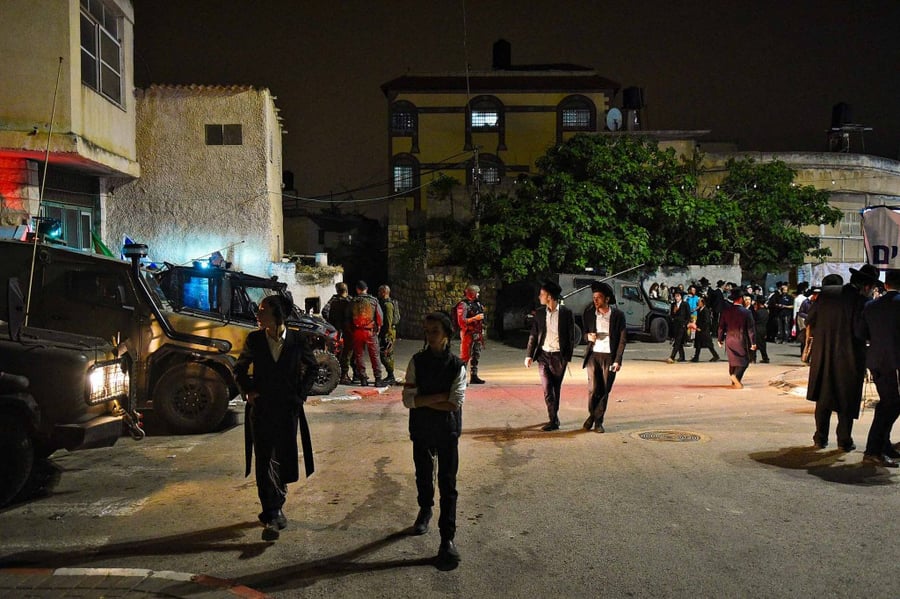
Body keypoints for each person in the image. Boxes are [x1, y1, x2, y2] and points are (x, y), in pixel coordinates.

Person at [234, 295, 318, 541]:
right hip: (262, 409)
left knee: (283, 456)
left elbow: (312, 367)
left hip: (287, 409)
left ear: (278, 315)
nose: (258, 315)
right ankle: (271, 511)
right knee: (264, 458)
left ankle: (277, 503)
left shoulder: (297, 340)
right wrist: (249, 391)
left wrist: (300, 395)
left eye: (263, 310)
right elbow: (239, 368)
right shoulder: (255, 339)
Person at [402, 312, 466, 566]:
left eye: (435, 331)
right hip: (421, 429)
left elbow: (455, 403)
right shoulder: (417, 361)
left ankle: (447, 539)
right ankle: (425, 509)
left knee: (448, 484)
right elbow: (408, 400)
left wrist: (423, 401)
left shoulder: (457, 366)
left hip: (447, 431)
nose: (430, 336)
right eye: (427, 331)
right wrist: (440, 397)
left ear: (447, 335)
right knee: (423, 474)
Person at [806, 264, 880, 451]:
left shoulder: (827, 294)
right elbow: (861, 332)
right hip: (849, 357)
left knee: (823, 397)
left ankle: (820, 437)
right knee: (846, 399)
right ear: (867, 287)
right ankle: (844, 440)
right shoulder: (862, 301)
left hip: (823, 354)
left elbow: (809, 319)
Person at [858, 269, 900, 468]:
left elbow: (861, 333)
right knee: (891, 406)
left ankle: (883, 445)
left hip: (876, 361)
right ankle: (874, 450)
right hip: (895, 362)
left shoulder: (870, 305)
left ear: (885, 285)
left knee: (887, 403)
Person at [524, 280, 576, 431]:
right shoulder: (540, 313)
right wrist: (529, 355)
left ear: (550, 297)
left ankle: (554, 417)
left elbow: (571, 337)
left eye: (542, 294)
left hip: (559, 357)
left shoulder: (566, 313)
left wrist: (566, 357)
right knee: (547, 389)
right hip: (543, 356)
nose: (539, 297)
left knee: (555, 389)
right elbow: (533, 335)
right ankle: (553, 419)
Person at [581, 281, 627, 433]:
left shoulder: (618, 315)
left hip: (609, 356)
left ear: (607, 299)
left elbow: (622, 339)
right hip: (593, 355)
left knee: (605, 389)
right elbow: (584, 334)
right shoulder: (589, 313)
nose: (595, 300)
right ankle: (592, 415)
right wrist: (588, 337)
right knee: (593, 389)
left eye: (599, 297)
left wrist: (617, 360)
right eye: (594, 297)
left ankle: (598, 421)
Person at [717, 288, 757, 389]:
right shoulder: (746, 312)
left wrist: (720, 339)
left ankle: (734, 381)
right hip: (740, 339)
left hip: (729, 339)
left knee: (732, 361)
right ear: (740, 299)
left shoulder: (726, 311)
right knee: (744, 361)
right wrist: (753, 342)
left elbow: (721, 326)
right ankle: (735, 377)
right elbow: (751, 329)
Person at [350, 280, 386, 387]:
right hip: (370, 331)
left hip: (357, 331)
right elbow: (380, 317)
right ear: (367, 289)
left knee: (359, 355)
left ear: (357, 289)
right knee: (374, 355)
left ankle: (363, 379)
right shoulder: (373, 301)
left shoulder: (353, 301)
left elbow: (348, 317)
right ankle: (378, 379)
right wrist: (378, 328)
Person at [322, 282, 354, 384]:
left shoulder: (333, 300)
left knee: (337, 353)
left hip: (335, 330)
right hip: (347, 330)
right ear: (346, 290)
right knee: (348, 353)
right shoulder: (350, 301)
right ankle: (346, 375)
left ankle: (338, 374)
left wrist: (330, 322)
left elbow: (324, 311)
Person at [456, 284, 486, 384]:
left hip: (477, 333)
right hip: (467, 333)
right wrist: (474, 318)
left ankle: (474, 375)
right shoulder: (463, 305)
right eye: (477, 292)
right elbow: (461, 321)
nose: (478, 294)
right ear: (471, 293)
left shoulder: (477, 303)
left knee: (476, 355)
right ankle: (461, 378)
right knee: (465, 356)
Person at [377, 284, 399, 384]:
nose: (378, 293)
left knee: (386, 354)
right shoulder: (384, 303)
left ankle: (391, 376)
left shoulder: (388, 305)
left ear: (384, 292)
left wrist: (387, 336)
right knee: (385, 354)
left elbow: (388, 322)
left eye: (380, 291)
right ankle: (390, 375)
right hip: (386, 332)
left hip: (388, 333)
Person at [689, 296, 720, 362]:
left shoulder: (706, 310)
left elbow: (707, 321)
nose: (698, 303)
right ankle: (696, 357)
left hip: (704, 330)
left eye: (699, 302)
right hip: (699, 329)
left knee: (709, 344)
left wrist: (702, 328)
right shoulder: (699, 310)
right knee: (698, 344)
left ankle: (716, 356)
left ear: (703, 303)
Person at [666, 289, 690, 363]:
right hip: (675, 325)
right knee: (678, 341)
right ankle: (682, 357)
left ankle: (672, 357)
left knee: (677, 341)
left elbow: (688, 316)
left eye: (678, 296)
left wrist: (685, 324)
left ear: (681, 297)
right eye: (675, 296)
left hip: (682, 325)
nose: (676, 297)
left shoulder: (685, 304)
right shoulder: (673, 304)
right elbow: (671, 315)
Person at [751, 295, 770, 363]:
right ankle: (765, 358)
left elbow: (753, 321)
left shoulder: (757, 312)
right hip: (763, 328)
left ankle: (753, 358)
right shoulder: (766, 311)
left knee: (754, 344)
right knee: (763, 344)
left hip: (756, 329)